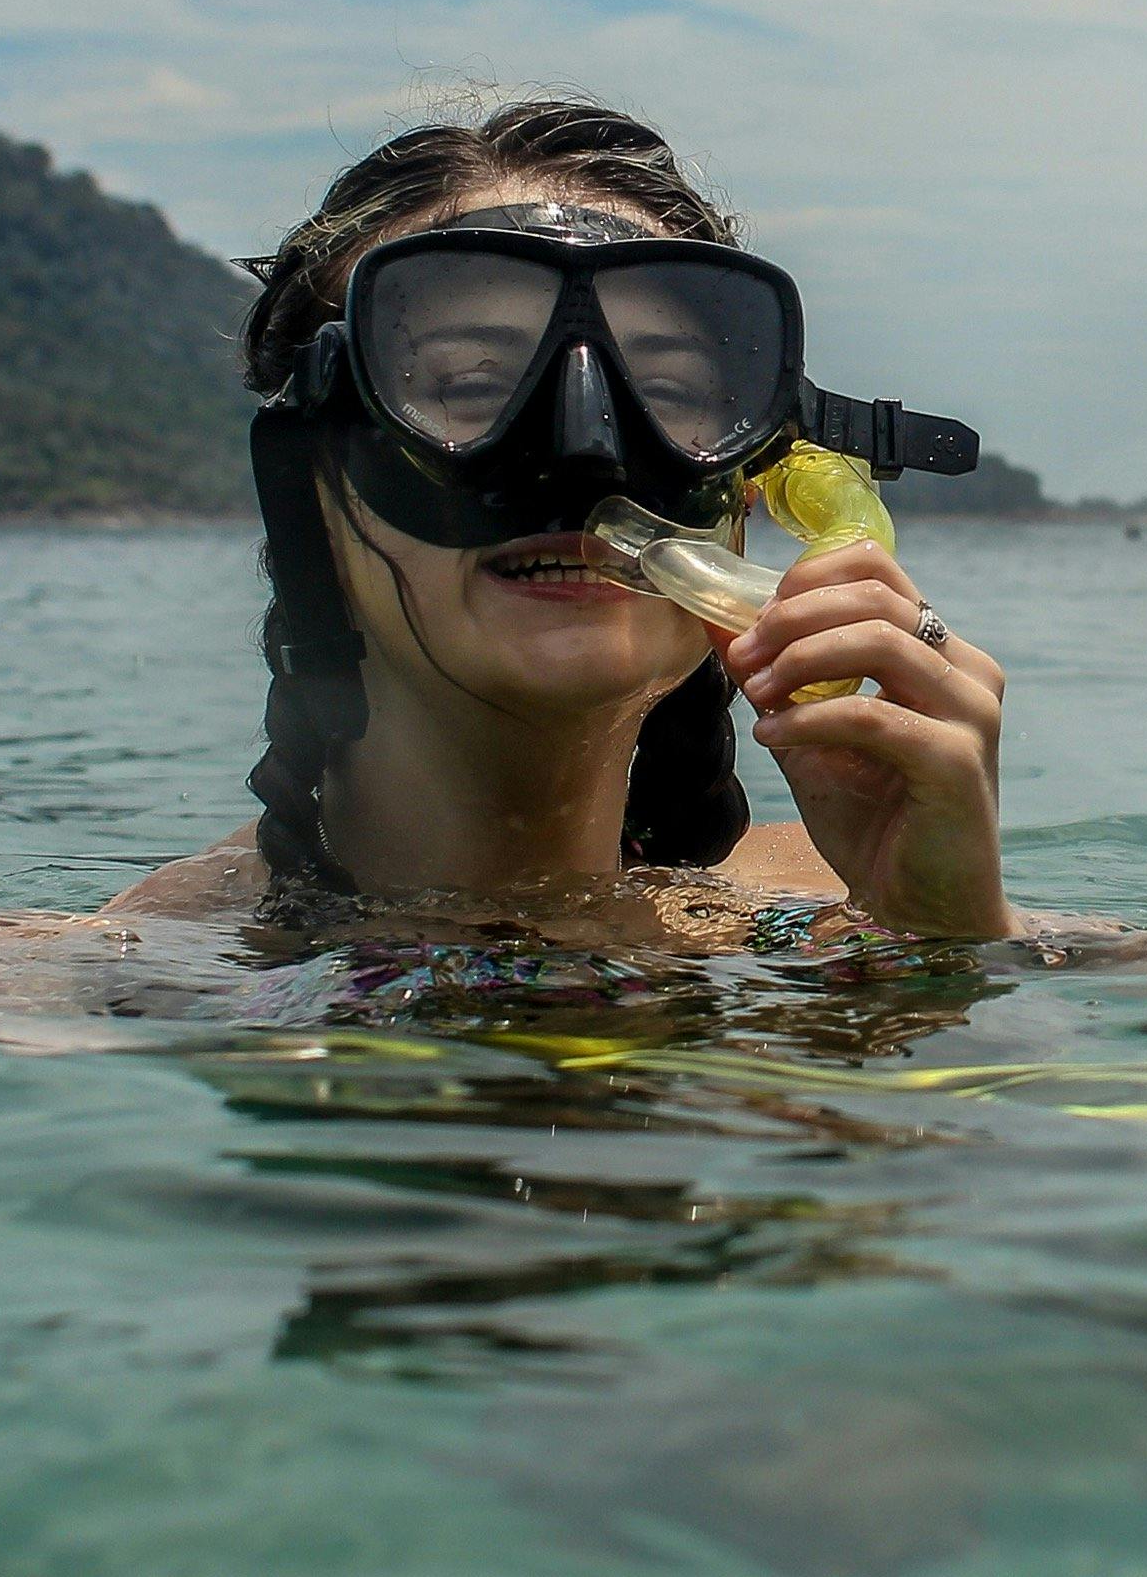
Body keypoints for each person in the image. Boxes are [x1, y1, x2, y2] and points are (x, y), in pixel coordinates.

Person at [112, 100, 1019, 944]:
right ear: (313, 481)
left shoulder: (871, 909)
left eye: (664, 395)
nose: (590, 451)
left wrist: (941, 946)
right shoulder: (87, 988)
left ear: (747, 488)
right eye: (472, 388)